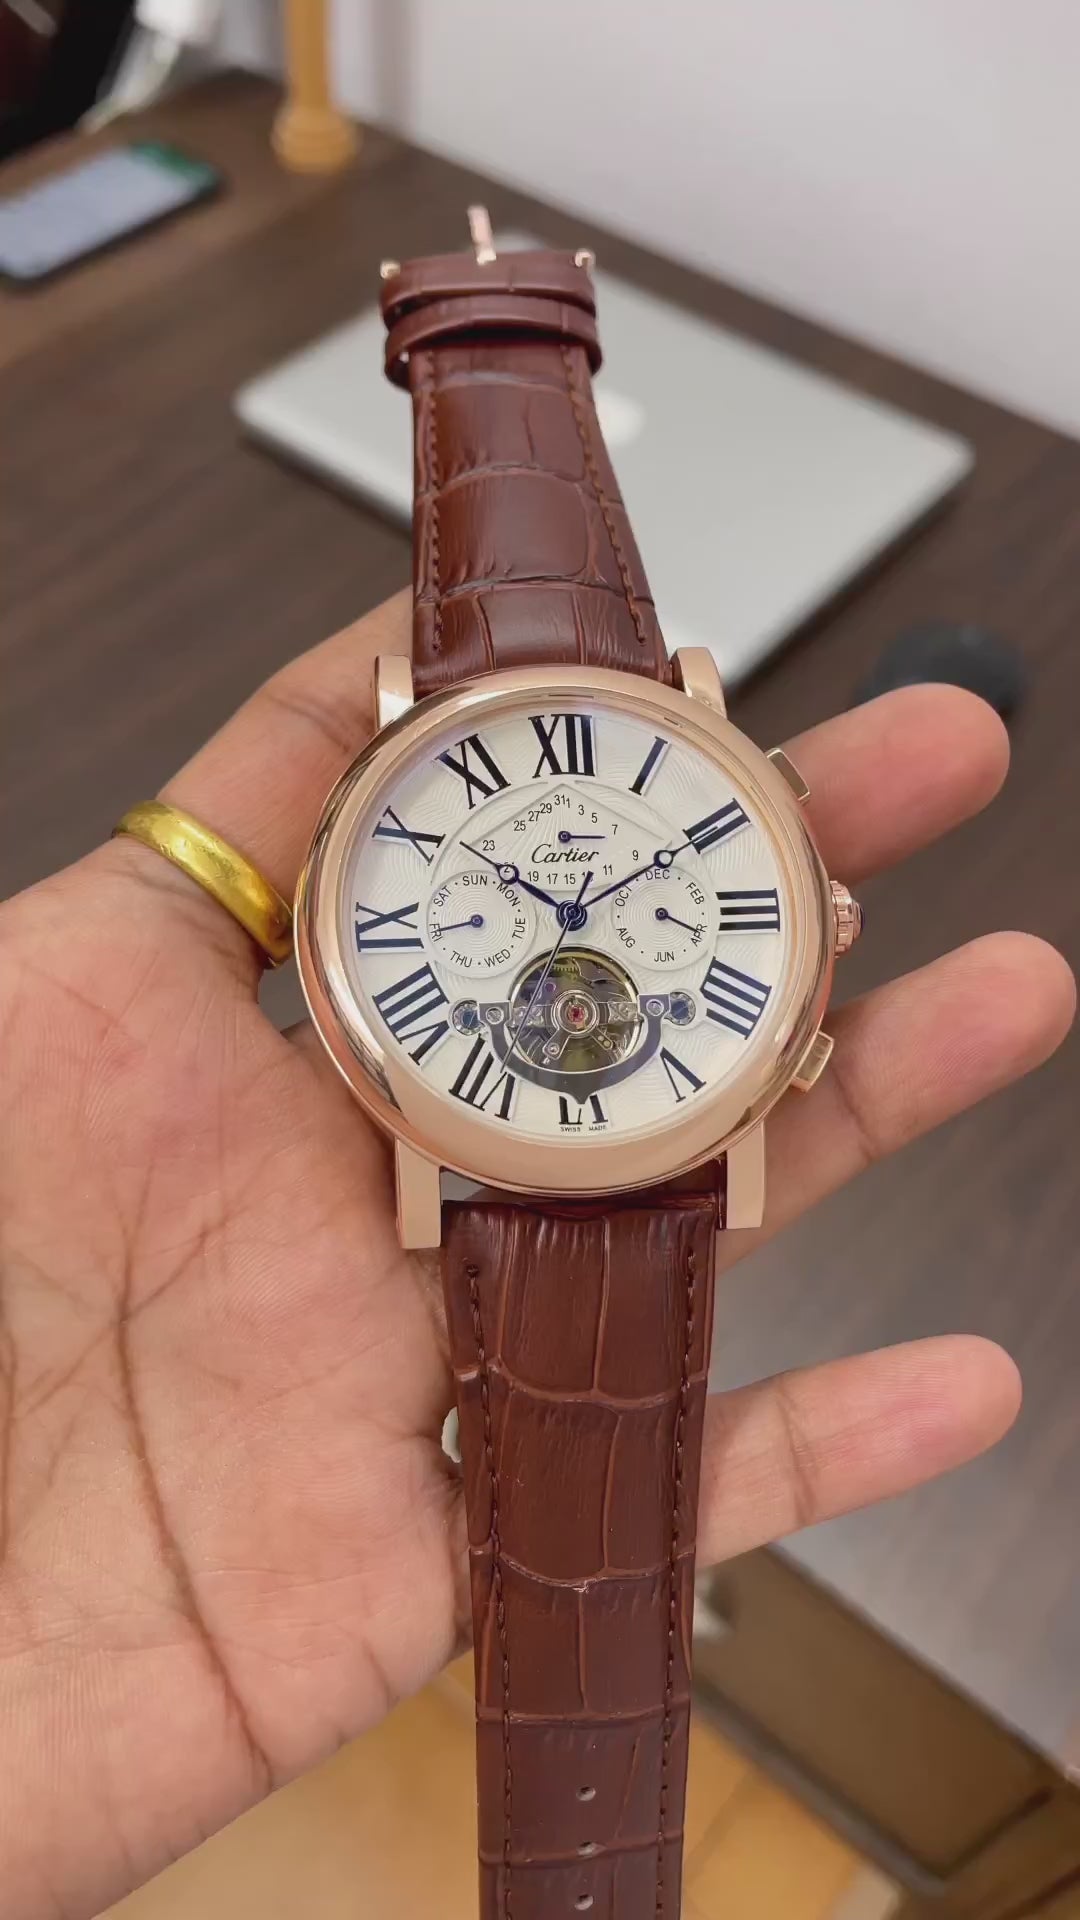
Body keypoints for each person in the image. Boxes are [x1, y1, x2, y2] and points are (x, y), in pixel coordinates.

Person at [0, 591, 1073, 1919]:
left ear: (823, 921)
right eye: (539, 897)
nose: (570, 906)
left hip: (643, 1140)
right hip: (488, 1137)